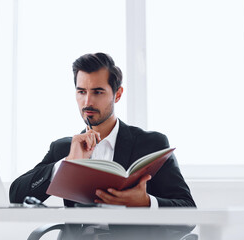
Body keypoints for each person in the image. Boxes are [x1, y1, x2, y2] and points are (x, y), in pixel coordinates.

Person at [10, 52, 196, 239]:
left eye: (98, 92)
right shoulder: (63, 148)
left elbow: (189, 215)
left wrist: (146, 202)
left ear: (118, 95)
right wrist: (67, 162)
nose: (87, 102)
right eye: (81, 91)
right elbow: (16, 196)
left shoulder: (151, 143)